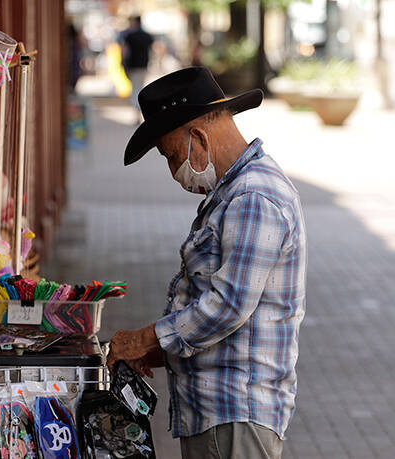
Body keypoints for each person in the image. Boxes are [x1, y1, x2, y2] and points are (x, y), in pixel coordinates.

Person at [108, 67, 307, 459]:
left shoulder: (254, 197)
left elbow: (227, 306)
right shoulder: (235, 192)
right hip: (219, 416)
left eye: (170, 155)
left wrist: (144, 338)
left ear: (197, 137)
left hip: (234, 414)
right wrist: (161, 351)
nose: (172, 170)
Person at [120, 16, 154, 118]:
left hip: (132, 66)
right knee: (139, 88)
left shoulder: (130, 36)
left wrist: (122, 62)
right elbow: (152, 50)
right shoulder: (147, 36)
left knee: (135, 90)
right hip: (143, 66)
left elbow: (124, 50)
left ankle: (138, 109)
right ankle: (138, 112)